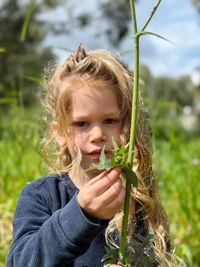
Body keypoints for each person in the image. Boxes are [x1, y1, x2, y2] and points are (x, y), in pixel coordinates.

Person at [7, 44, 172, 267]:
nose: (97, 135)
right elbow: (20, 262)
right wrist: (80, 213)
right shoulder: (41, 196)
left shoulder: (138, 202)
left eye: (110, 120)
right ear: (60, 133)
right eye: (81, 123)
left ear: (127, 124)